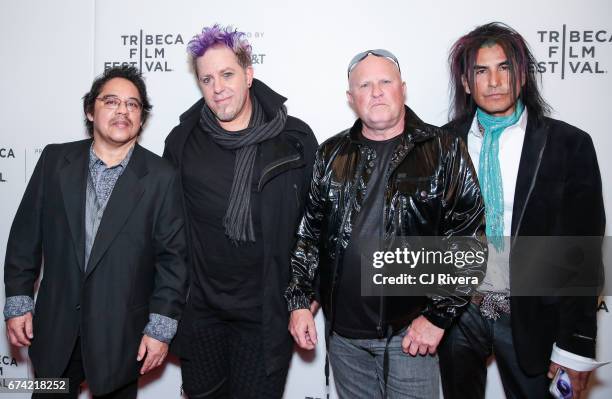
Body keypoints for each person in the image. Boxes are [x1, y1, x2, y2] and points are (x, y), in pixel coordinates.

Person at [285, 49, 486, 398]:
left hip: (411, 337)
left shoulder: (444, 149)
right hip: (344, 341)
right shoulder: (330, 154)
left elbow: (469, 240)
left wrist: (438, 316)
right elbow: (309, 235)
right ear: (351, 98)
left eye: (385, 81)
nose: (376, 91)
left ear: (402, 89)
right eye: (365, 85)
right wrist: (299, 301)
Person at [439, 22, 605, 399]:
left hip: (533, 314)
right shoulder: (443, 143)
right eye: (481, 70)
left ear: (523, 76)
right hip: (460, 312)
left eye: (505, 68)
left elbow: (584, 249)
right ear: (466, 82)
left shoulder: (569, 144)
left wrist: (575, 346)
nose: (494, 81)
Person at [3, 65, 188, 399]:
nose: (123, 110)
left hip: (122, 338)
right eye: (111, 101)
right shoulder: (55, 161)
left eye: (133, 105)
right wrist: (17, 301)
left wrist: (161, 328)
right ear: (90, 110)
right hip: (55, 330)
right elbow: (24, 238)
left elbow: (173, 261)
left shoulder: (161, 177)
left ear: (142, 119)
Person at [163, 24, 318, 398]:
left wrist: (304, 298)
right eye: (207, 79)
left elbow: (316, 228)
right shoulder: (181, 141)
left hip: (265, 316)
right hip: (201, 316)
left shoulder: (294, 140)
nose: (218, 87)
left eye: (228, 74)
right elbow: (164, 231)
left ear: (249, 75)